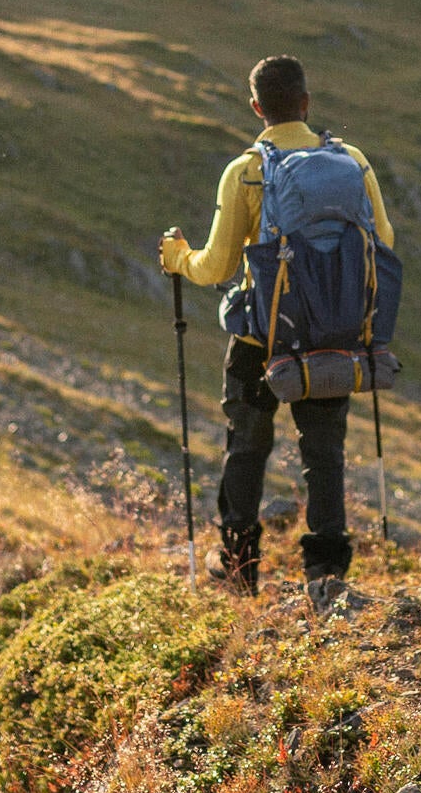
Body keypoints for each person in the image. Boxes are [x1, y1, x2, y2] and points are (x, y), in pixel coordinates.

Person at [160, 55, 396, 600]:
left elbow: (216, 267)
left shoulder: (246, 170)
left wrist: (177, 258)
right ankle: (327, 572)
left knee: (246, 445)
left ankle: (241, 571)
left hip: (259, 338)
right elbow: (382, 242)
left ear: (257, 108)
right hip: (332, 335)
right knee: (324, 451)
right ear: (307, 103)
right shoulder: (353, 162)